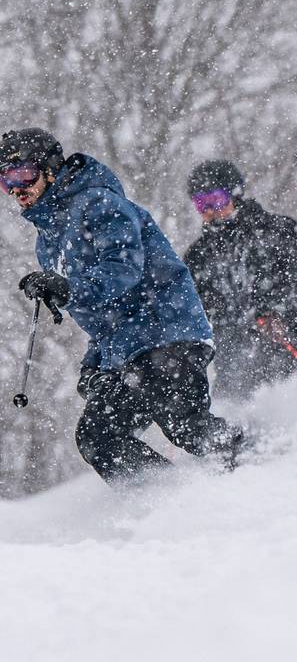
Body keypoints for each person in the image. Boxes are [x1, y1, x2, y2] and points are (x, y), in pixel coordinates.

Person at [0, 128, 243, 485]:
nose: (16, 189)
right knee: (98, 438)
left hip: (166, 332)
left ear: (50, 169)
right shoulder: (48, 240)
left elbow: (123, 269)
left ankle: (252, 464)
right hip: (126, 349)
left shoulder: (98, 202)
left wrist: (67, 288)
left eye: (23, 174)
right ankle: (169, 501)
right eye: (5, 180)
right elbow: (102, 314)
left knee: (184, 425)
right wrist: (94, 363)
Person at [183, 160, 297, 401]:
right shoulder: (198, 256)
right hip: (234, 377)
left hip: (290, 361)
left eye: (216, 200)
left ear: (235, 195)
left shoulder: (279, 232)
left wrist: (281, 313)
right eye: (201, 203)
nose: (210, 210)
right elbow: (192, 312)